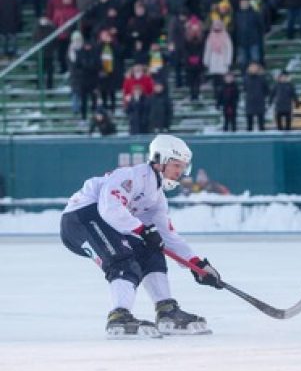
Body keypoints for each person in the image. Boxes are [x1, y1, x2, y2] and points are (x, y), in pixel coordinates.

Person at [60, 135, 222, 338]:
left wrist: (198, 265)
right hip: (81, 218)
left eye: (183, 167)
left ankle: (166, 310)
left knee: (151, 251)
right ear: (159, 160)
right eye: (176, 165)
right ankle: (119, 317)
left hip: (107, 221)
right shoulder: (131, 176)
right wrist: (142, 230)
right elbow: (110, 208)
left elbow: (168, 236)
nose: (180, 172)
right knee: (122, 260)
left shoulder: (157, 197)